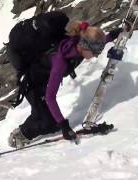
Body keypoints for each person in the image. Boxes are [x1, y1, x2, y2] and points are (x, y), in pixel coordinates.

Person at [7, 11, 123, 148]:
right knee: (46, 122)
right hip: (32, 84)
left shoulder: (79, 44)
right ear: (86, 48)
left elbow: (97, 42)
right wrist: (64, 125)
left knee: (52, 123)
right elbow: (50, 97)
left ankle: (47, 123)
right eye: (96, 52)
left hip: (43, 79)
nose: (97, 56)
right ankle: (19, 135)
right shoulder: (60, 61)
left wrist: (113, 35)